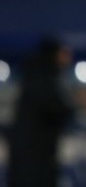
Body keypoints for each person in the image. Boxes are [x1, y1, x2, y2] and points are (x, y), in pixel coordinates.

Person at [7, 37, 75, 187]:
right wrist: (76, 105)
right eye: (64, 53)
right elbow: (57, 107)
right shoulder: (44, 78)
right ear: (55, 54)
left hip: (30, 152)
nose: (68, 57)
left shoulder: (35, 74)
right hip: (35, 156)